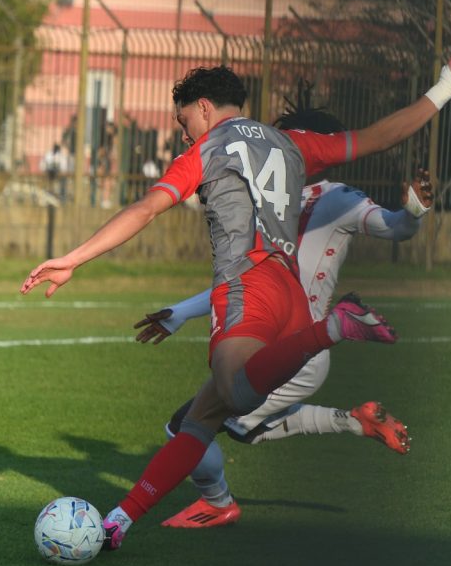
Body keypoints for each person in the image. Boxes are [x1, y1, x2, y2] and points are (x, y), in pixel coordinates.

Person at [21, 50, 451, 551]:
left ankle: (336, 326)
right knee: (199, 421)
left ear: (204, 108)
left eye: (183, 120)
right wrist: (445, 88)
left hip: (248, 285)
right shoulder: (290, 143)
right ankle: (118, 522)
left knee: (236, 393)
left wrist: (73, 258)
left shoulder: (207, 149)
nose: (182, 132)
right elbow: (376, 138)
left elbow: (146, 208)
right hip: (290, 296)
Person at [133, 88, 433, 528]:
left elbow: (395, 227)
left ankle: (218, 503)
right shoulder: (272, 202)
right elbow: (241, 285)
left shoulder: (338, 199)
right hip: (276, 342)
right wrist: (179, 313)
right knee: (237, 424)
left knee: (191, 427)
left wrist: (414, 211)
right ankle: (355, 422)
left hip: (296, 346)